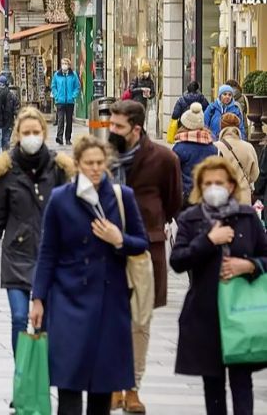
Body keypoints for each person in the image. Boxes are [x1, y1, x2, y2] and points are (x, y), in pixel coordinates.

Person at [29, 135, 149, 415]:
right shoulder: (61, 199)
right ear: (78, 165)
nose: (95, 168)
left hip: (110, 302)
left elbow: (141, 242)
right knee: (68, 385)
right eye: (89, 163)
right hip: (68, 299)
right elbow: (48, 252)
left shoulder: (122, 197)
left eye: (99, 163)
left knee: (101, 390)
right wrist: (38, 298)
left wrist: (119, 239)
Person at [169, 156, 267, 415]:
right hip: (205, 314)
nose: (214, 187)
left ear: (231, 186)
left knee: (242, 382)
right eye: (208, 182)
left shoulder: (247, 217)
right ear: (200, 186)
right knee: (212, 386)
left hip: (242, 314)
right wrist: (208, 240)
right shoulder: (190, 218)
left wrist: (250, 266)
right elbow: (178, 261)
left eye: (219, 183)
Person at [108, 99, 183, 412]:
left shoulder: (163, 158)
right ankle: (112, 385)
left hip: (144, 249)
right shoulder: (103, 159)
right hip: (107, 249)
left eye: (118, 127)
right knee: (111, 321)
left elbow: (174, 202)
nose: (111, 131)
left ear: (136, 130)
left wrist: (151, 224)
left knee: (140, 323)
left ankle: (133, 388)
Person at [0, 107, 75, 359]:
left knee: (43, 320)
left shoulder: (58, 169)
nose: (31, 136)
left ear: (44, 133)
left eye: (36, 132)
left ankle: (39, 376)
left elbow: (69, 214)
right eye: (27, 132)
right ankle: (22, 375)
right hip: (17, 253)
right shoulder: (6, 170)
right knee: (20, 317)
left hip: (50, 255)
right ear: (17, 135)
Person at [173, 103, 219, 202]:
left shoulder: (179, 148)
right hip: (207, 196)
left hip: (186, 196)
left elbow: (173, 175)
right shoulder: (213, 148)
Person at [215, 113, 259, 205]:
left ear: (221, 127)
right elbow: (255, 174)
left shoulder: (216, 147)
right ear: (238, 127)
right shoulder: (248, 147)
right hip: (244, 198)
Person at [51, 57, 81, 145]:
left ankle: (68, 138)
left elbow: (77, 87)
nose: (64, 65)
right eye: (62, 63)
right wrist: (56, 96)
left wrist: (73, 96)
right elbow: (53, 86)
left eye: (65, 63)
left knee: (69, 121)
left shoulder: (73, 75)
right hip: (60, 101)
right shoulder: (57, 75)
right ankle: (59, 137)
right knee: (60, 120)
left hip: (70, 102)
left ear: (69, 65)